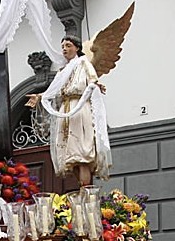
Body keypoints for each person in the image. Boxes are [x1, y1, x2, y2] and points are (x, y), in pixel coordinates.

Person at [26, 35, 112, 188]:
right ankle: (82, 188)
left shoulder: (84, 63)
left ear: (77, 48)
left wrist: (97, 86)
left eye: (68, 45)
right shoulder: (63, 71)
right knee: (71, 158)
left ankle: (86, 191)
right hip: (65, 111)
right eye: (63, 46)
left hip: (79, 109)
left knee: (82, 155)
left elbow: (92, 79)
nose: (64, 49)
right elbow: (54, 90)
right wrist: (39, 97)